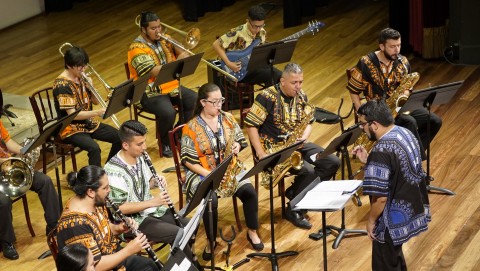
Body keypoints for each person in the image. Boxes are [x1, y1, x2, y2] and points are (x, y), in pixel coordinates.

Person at [245, 63, 340, 229]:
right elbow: (251, 126)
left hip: (297, 144)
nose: (298, 87)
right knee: (309, 171)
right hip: (275, 149)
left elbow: (310, 120)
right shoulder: (266, 97)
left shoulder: (301, 95)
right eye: (294, 83)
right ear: (282, 81)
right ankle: (294, 208)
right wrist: (260, 153)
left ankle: (295, 192)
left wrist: (304, 136)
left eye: (300, 82)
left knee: (332, 162)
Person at [181, 83, 264, 260]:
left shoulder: (226, 118)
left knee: (249, 192)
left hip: (229, 168)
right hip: (201, 172)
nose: (220, 105)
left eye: (221, 101)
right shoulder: (191, 127)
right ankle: (212, 242)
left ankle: (253, 231)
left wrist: (237, 145)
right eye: (215, 102)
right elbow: (188, 161)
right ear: (203, 102)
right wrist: (209, 175)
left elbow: (241, 140)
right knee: (210, 202)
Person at [104, 120, 200, 267]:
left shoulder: (141, 156)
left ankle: (186, 261)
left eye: (144, 142)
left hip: (152, 211)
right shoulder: (113, 172)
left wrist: (155, 182)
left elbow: (142, 185)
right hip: (132, 222)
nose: (144, 147)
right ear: (125, 145)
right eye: (139, 144)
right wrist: (153, 202)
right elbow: (120, 208)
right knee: (178, 233)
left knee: (190, 225)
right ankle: (187, 266)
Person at [352, 100, 430, 270]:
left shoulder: (381, 150)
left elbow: (380, 198)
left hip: (391, 219)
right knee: (394, 258)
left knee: (385, 264)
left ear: (374, 124)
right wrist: (368, 161)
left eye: (363, 125)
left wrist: (371, 220)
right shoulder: (405, 132)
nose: (362, 129)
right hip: (412, 205)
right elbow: (395, 169)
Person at [347, 27, 442, 160]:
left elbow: (407, 86)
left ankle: (405, 157)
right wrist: (361, 114)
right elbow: (353, 90)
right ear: (382, 46)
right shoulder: (366, 62)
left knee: (434, 120)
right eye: (392, 46)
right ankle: (413, 162)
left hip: (398, 110)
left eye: (399, 45)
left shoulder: (403, 62)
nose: (397, 50)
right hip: (377, 114)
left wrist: (405, 93)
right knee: (410, 123)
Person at [56, 165, 158, 271]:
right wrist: (129, 250)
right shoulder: (76, 225)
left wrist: (120, 228)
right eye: (105, 188)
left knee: (150, 265)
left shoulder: (94, 202)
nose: (109, 190)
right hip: (106, 265)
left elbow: (103, 230)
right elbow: (95, 266)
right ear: (90, 192)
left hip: (114, 256)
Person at [127, 11, 198, 158]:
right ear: (143, 30)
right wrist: (177, 61)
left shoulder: (165, 40)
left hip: (170, 86)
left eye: (159, 27)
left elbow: (184, 54)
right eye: (153, 28)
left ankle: (177, 134)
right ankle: (165, 142)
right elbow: (153, 72)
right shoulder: (136, 48)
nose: (158, 31)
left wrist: (178, 47)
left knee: (195, 99)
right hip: (148, 91)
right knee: (168, 112)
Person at [0, 120, 61, 260]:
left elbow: (8, 142)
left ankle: (54, 227)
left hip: (8, 167)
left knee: (45, 181)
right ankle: (6, 242)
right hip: (5, 165)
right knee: (2, 201)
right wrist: (10, 161)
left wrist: (24, 151)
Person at [53, 45, 122, 167]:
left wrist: (91, 88)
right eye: (80, 66)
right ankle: (95, 181)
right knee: (94, 148)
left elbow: (95, 102)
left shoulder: (81, 78)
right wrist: (97, 113)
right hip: (70, 128)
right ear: (69, 66)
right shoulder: (62, 85)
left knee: (120, 137)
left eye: (85, 65)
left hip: (87, 123)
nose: (84, 69)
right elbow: (73, 115)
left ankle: (107, 170)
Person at [212, 4, 282, 87]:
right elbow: (216, 44)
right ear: (247, 21)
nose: (258, 29)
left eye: (261, 26)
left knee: (279, 75)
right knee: (273, 76)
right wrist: (229, 63)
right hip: (239, 70)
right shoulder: (237, 32)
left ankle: (270, 96)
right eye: (255, 26)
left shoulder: (262, 32)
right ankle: (268, 97)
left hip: (254, 65)